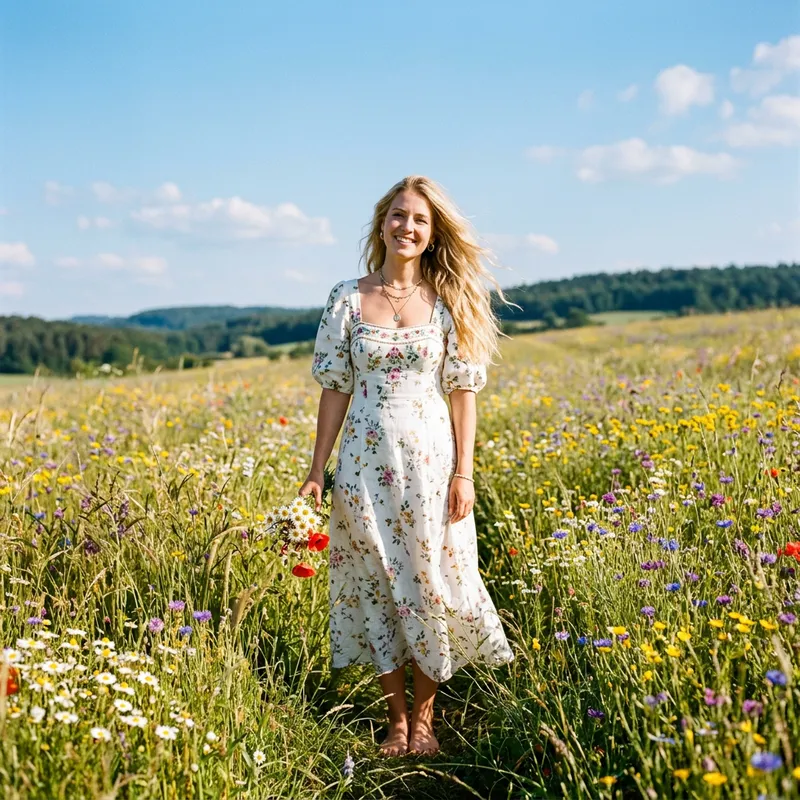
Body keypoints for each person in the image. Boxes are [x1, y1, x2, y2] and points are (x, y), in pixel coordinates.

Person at [299, 175, 515, 758]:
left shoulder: (449, 302)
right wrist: (317, 471)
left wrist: (464, 473)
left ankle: (425, 722)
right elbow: (335, 388)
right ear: (382, 223)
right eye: (397, 215)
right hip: (365, 465)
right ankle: (396, 722)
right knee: (377, 583)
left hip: (430, 465)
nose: (406, 227)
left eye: (418, 219)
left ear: (431, 233)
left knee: (431, 581)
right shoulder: (347, 296)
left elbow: (464, 393)